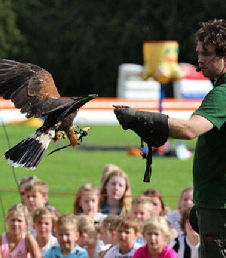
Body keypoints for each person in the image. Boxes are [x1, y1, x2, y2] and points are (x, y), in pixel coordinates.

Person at [113, 18, 226, 257]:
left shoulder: (222, 94)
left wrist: (141, 119)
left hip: (218, 206)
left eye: (207, 54)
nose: (200, 60)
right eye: (198, 53)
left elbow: (189, 129)